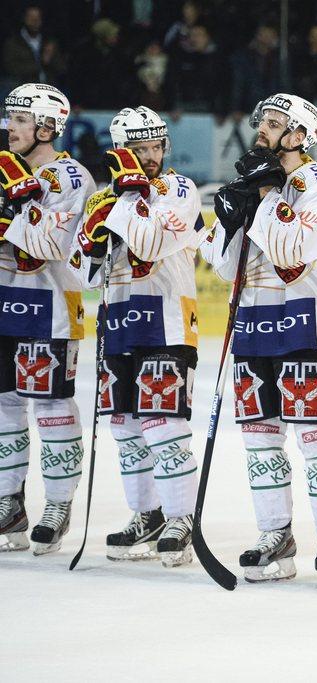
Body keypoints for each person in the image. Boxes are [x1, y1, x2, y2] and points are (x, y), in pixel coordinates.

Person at [199, 93, 317, 586]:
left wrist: (264, 196)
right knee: (260, 441)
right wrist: (228, 219)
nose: (262, 128)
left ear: (301, 135)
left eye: (275, 122)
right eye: (261, 120)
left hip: (309, 324)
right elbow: (224, 267)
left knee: (316, 440)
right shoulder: (255, 181)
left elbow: (292, 250)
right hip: (254, 324)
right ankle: (275, 534)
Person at [70, 107, 203, 567]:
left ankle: (182, 517)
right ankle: (145, 514)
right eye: (138, 149)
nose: (149, 156)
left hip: (166, 318)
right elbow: (82, 273)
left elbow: (149, 243)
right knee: (125, 427)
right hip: (118, 317)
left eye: (154, 147)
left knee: (163, 425)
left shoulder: (180, 189)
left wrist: (125, 201)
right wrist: (90, 243)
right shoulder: (106, 197)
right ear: (121, 151)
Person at [0, 83, 96, 554]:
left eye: (18, 120)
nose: (8, 127)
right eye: (8, 118)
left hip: (49, 309)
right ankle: (9, 502)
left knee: (52, 409)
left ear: (46, 126)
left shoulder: (71, 176)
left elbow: (48, 246)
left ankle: (57, 505)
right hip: (2, 304)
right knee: (3, 407)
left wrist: (11, 212)